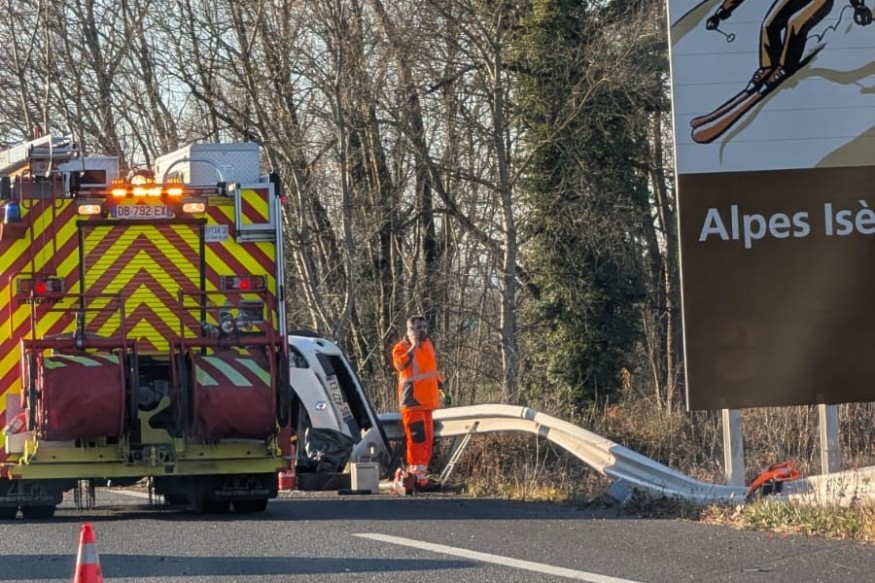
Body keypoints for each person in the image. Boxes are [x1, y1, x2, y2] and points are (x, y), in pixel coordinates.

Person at [391, 315, 442, 490]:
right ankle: (416, 478)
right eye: (418, 327)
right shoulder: (401, 348)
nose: (422, 330)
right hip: (412, 402)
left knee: (427, 442)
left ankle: (421, 478)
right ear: (409, 330)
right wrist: (413, 347)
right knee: (417, 441)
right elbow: (399, 365)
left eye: (424, 327)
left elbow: (431, 370)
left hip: (428, 402)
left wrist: (440, 384)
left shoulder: (428, 346)